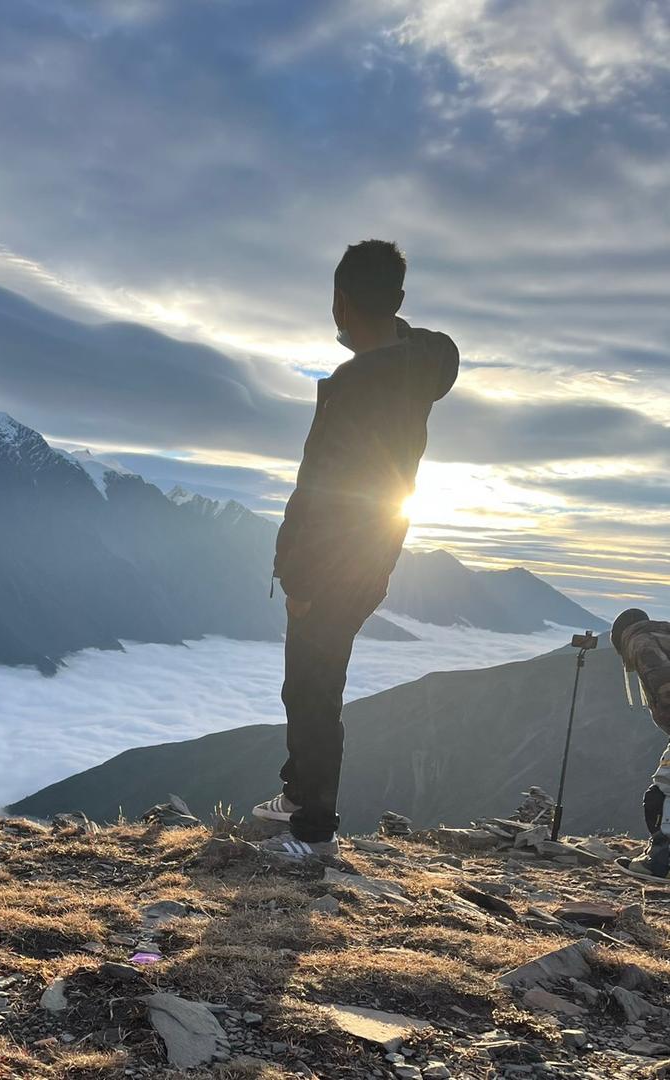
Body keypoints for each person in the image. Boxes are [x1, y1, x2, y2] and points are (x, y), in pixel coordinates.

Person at [252, 240, 459, 860]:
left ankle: (313, 831)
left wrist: (299, 578)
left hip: (333, 564)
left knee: (313, 687)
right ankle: (299, 797)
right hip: (375, 556)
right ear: (397, 303)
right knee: (312, 682)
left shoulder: (355, 386)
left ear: (340, 303)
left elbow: (319, 491)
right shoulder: (419, 366)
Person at [611, 608, 670, 879]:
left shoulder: (640, 642)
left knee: (663, 789)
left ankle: (660, 861)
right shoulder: (662, 635)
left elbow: (662, 680)